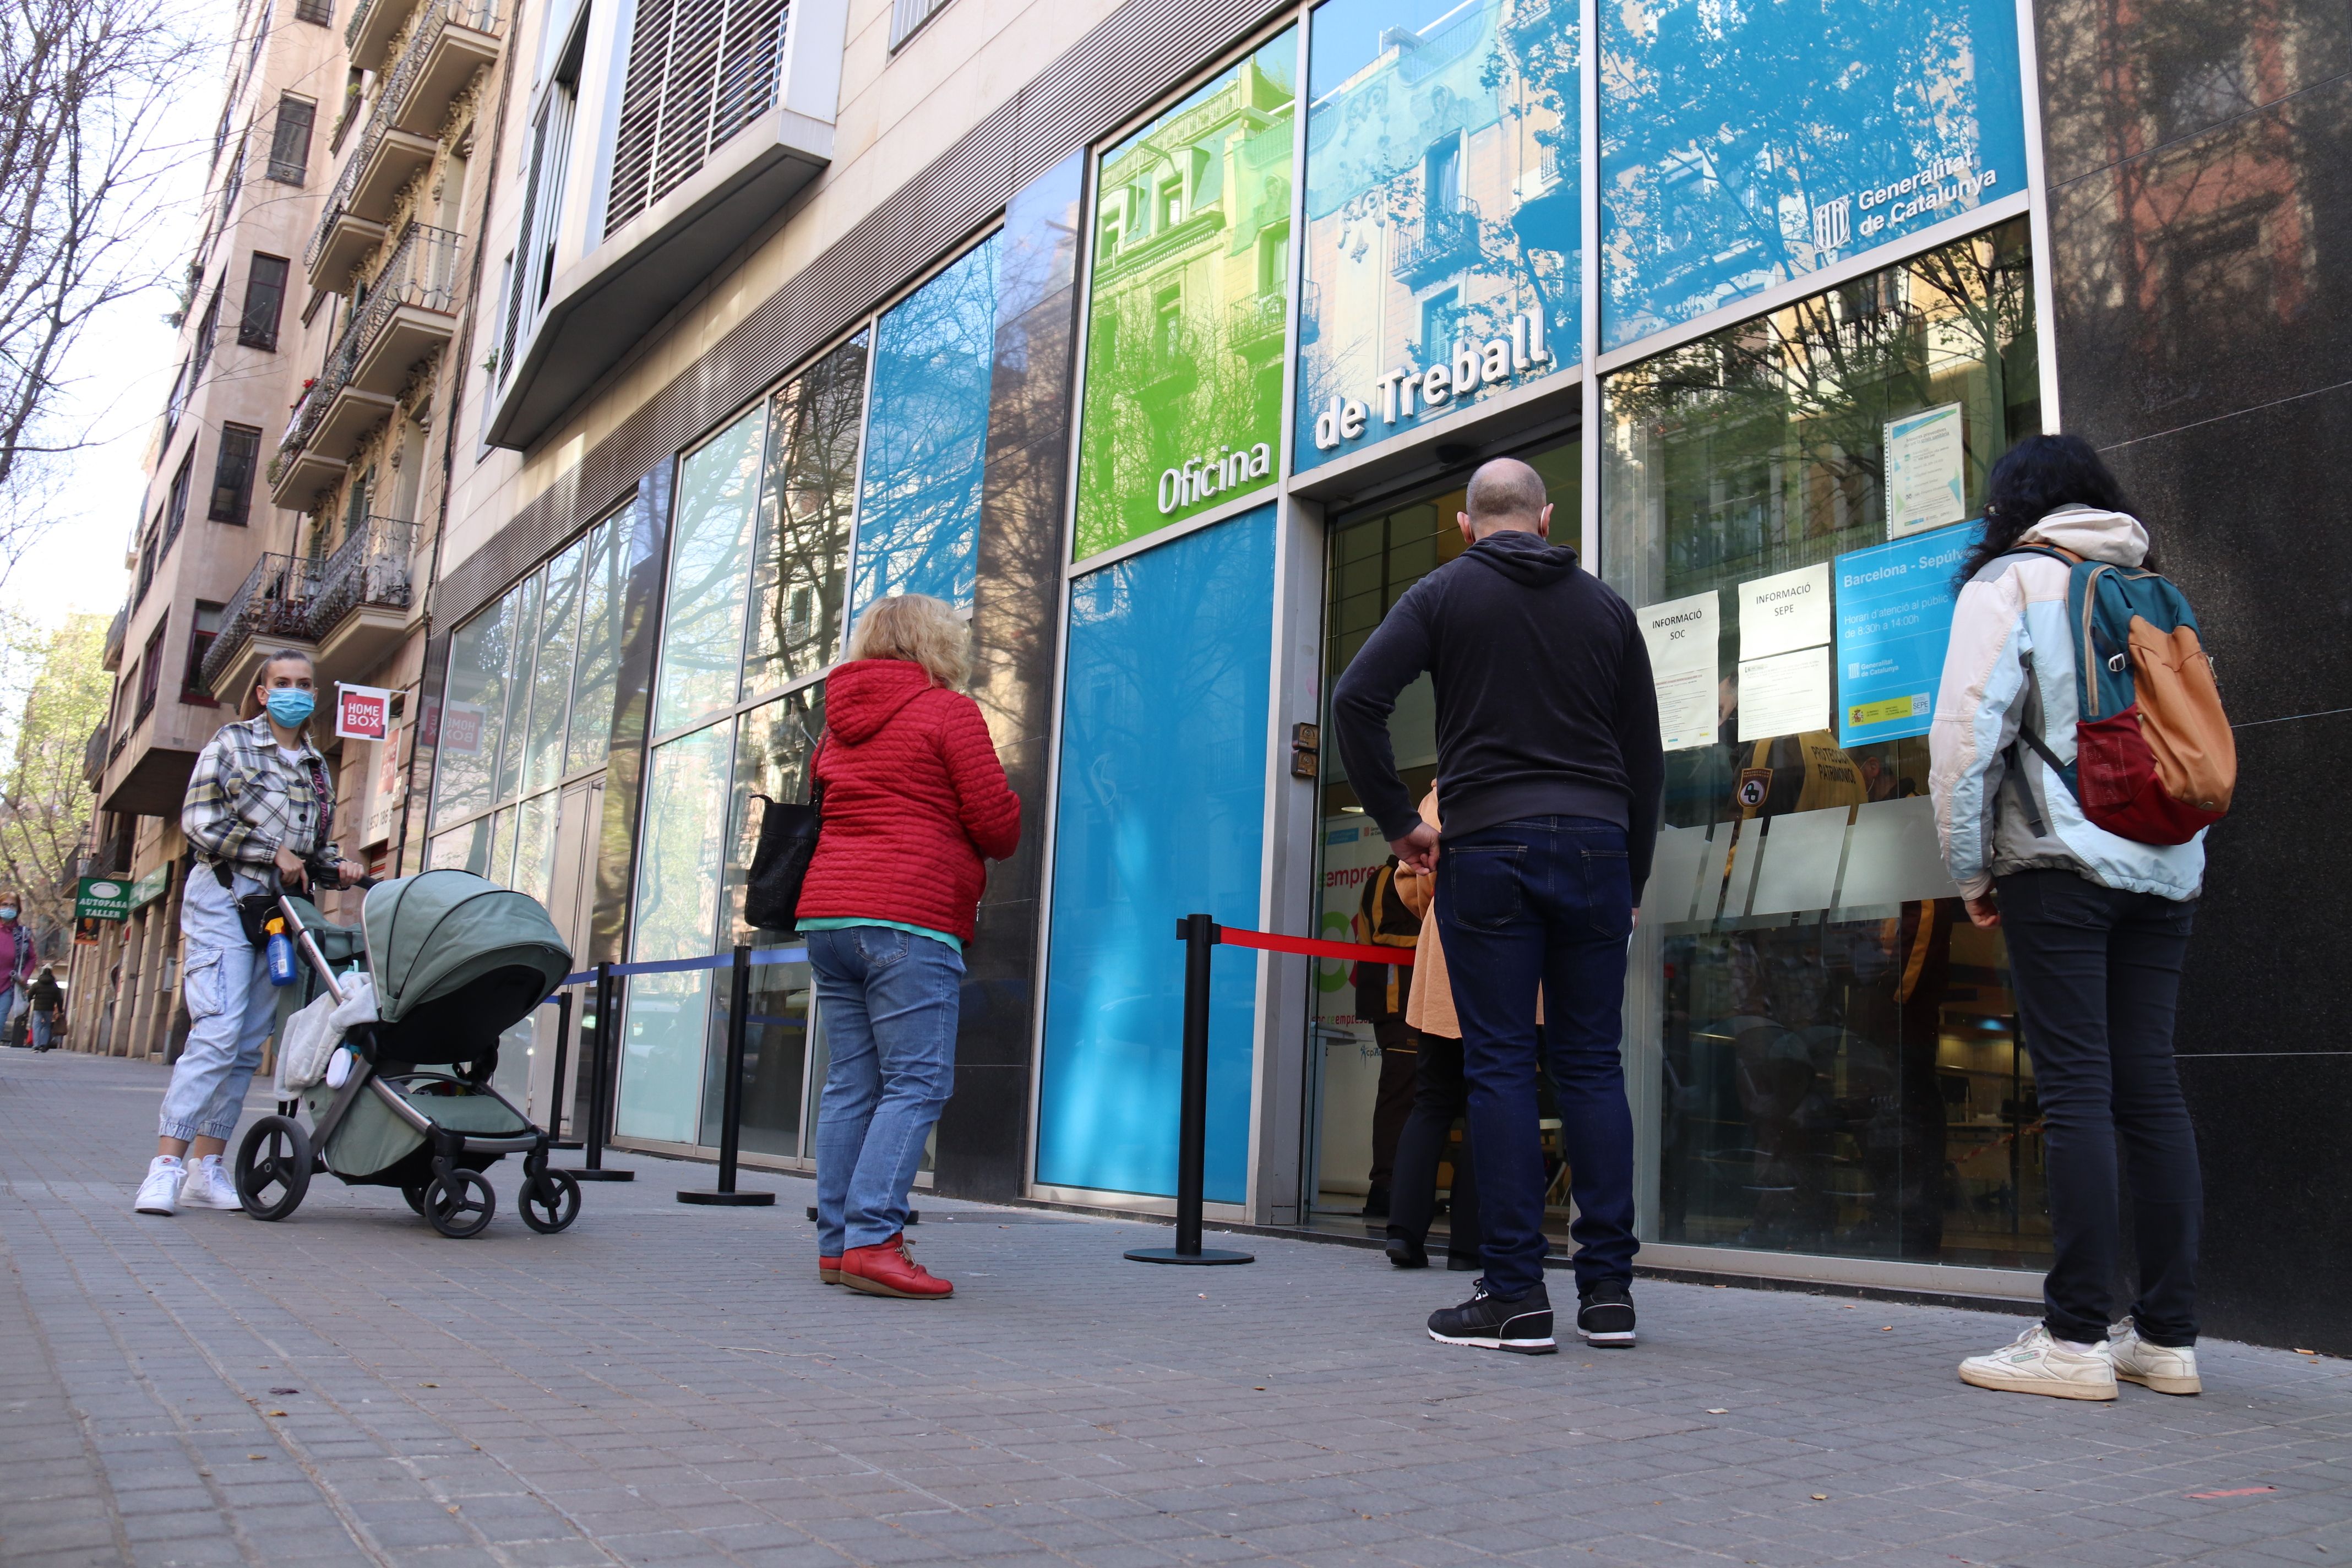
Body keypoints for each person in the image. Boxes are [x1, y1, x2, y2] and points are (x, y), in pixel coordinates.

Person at [1332, 457, 1664, 1354]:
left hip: (1489, 848)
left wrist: (1403, 825)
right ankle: (1608, 1295)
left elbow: (1355, 700)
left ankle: (1514, 1293)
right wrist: (1627, 877)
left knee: (1500, 1066)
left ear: (1465, 523)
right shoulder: (1606, 609)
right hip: (1596, 846)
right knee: (1593, 1066)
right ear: (1547, 518)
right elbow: (1645, 758)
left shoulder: (1443, 594)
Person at [1930, 433, 2207, 1401]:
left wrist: (1968, 868)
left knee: (2079, 1091)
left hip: (2058, 861)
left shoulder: (2010, 582)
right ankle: (2165, 1337)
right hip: (2164, 864)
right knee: (2151, 1091)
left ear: (2011, 504)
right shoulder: (2151, 583)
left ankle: (2074, 1336)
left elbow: (1967, 736)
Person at [797, 594, 1020, 1299]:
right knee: (918, 1081)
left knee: (851, 1084)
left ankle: (838, 1246)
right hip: (907, 919)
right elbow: (996, 825)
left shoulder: (836, 727)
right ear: (937, 643)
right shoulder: (948, 712)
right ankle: (873, 1238)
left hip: (829, 919)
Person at [134, 650, 362, 1217]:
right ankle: (164, 1165)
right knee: (217, 1030)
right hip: (224, 896)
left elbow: (311, 850)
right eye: (281, 683)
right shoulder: (231, 744)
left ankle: (205, 1168)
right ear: (263, 693)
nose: (294, 692)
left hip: (279, 913)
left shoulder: (315, 766)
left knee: (244, 1046)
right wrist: (272, 850)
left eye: (304, 684)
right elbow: (201, 821)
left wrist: (340, 866)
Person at [1384, 786, 1485, 1272]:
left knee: (1431, 1102)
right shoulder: (1528, 772)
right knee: (1495, 1098)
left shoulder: (1442, 794)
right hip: (1514, 958)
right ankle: (1471, 1243)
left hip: (1445, 956)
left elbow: (1411, 880)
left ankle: (1404, 1231)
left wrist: (1438, 914)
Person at [1352, 853, 1422, 1216]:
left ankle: (1409, 1189)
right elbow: (1383, 930)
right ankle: (1385, 1187)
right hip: (1398, 1004)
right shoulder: (1387, 876)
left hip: (1427, 1004)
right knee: (1400, 1095)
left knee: (1425, 1098)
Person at [0, 892, 36, 1047]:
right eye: (5, 905)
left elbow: (32, 958)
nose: (8, 908)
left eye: (12, 905)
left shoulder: (22, 934)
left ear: (18, 910)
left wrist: (25, 975)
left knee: (0, 1019)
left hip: (8, 984)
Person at [28, 962, 62, 1051]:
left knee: (37, 1026)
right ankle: (43, 1045)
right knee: (47, 1026)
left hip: (38, 1009)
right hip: (49, 1009)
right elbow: (59, 999)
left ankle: (36, 1045)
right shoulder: (54, 986)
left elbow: (30, 995)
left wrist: (28, 1001)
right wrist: (60, 1010)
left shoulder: (37, 984)